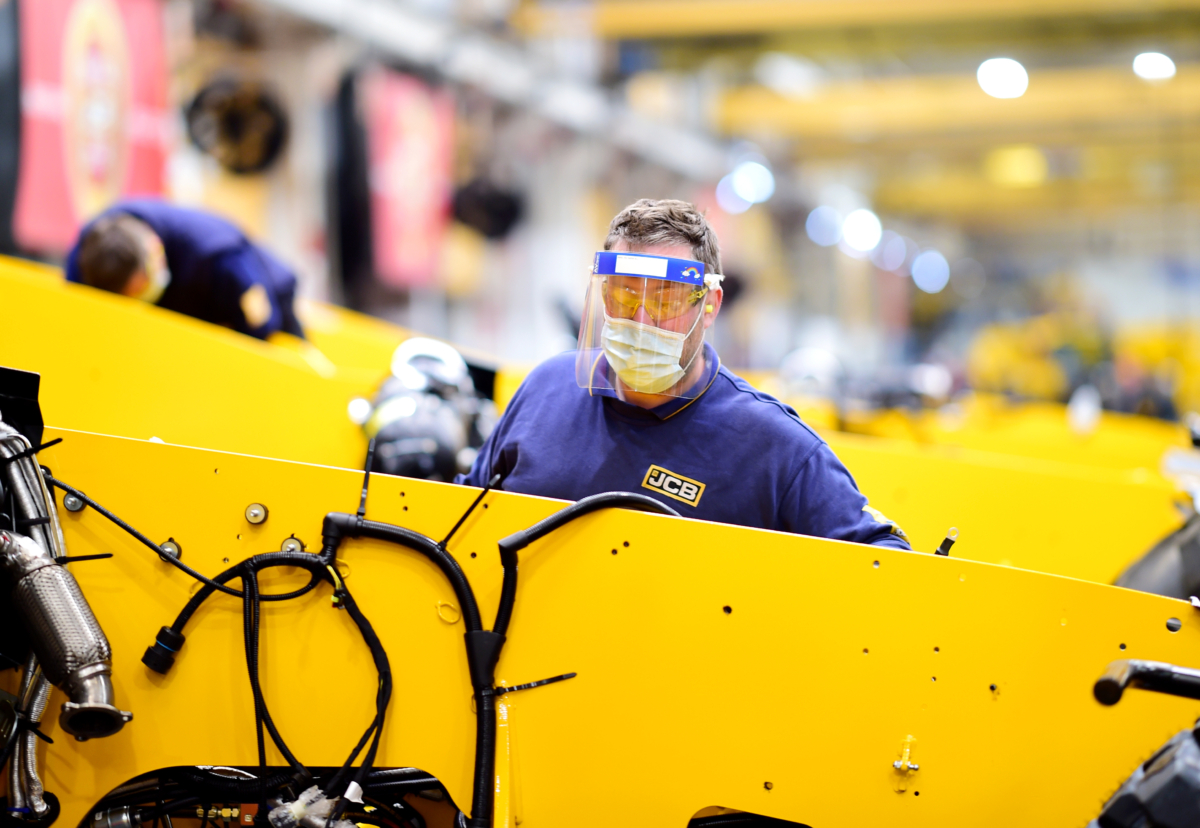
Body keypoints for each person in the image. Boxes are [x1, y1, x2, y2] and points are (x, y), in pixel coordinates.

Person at [457, 198, 910, 549]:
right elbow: (465, 518)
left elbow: (883, 561)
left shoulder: (771, 446)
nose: (641, 319)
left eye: (666, 300)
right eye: (624, 295)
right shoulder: (545, 390)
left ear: (709, 306)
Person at [65, 199, 304, 340]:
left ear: (154, 246)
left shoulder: (217, 256)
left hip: (271, 301)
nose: (150, 286)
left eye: (148, 279)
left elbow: (261, 324)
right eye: (137, 293)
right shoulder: (87, 256)